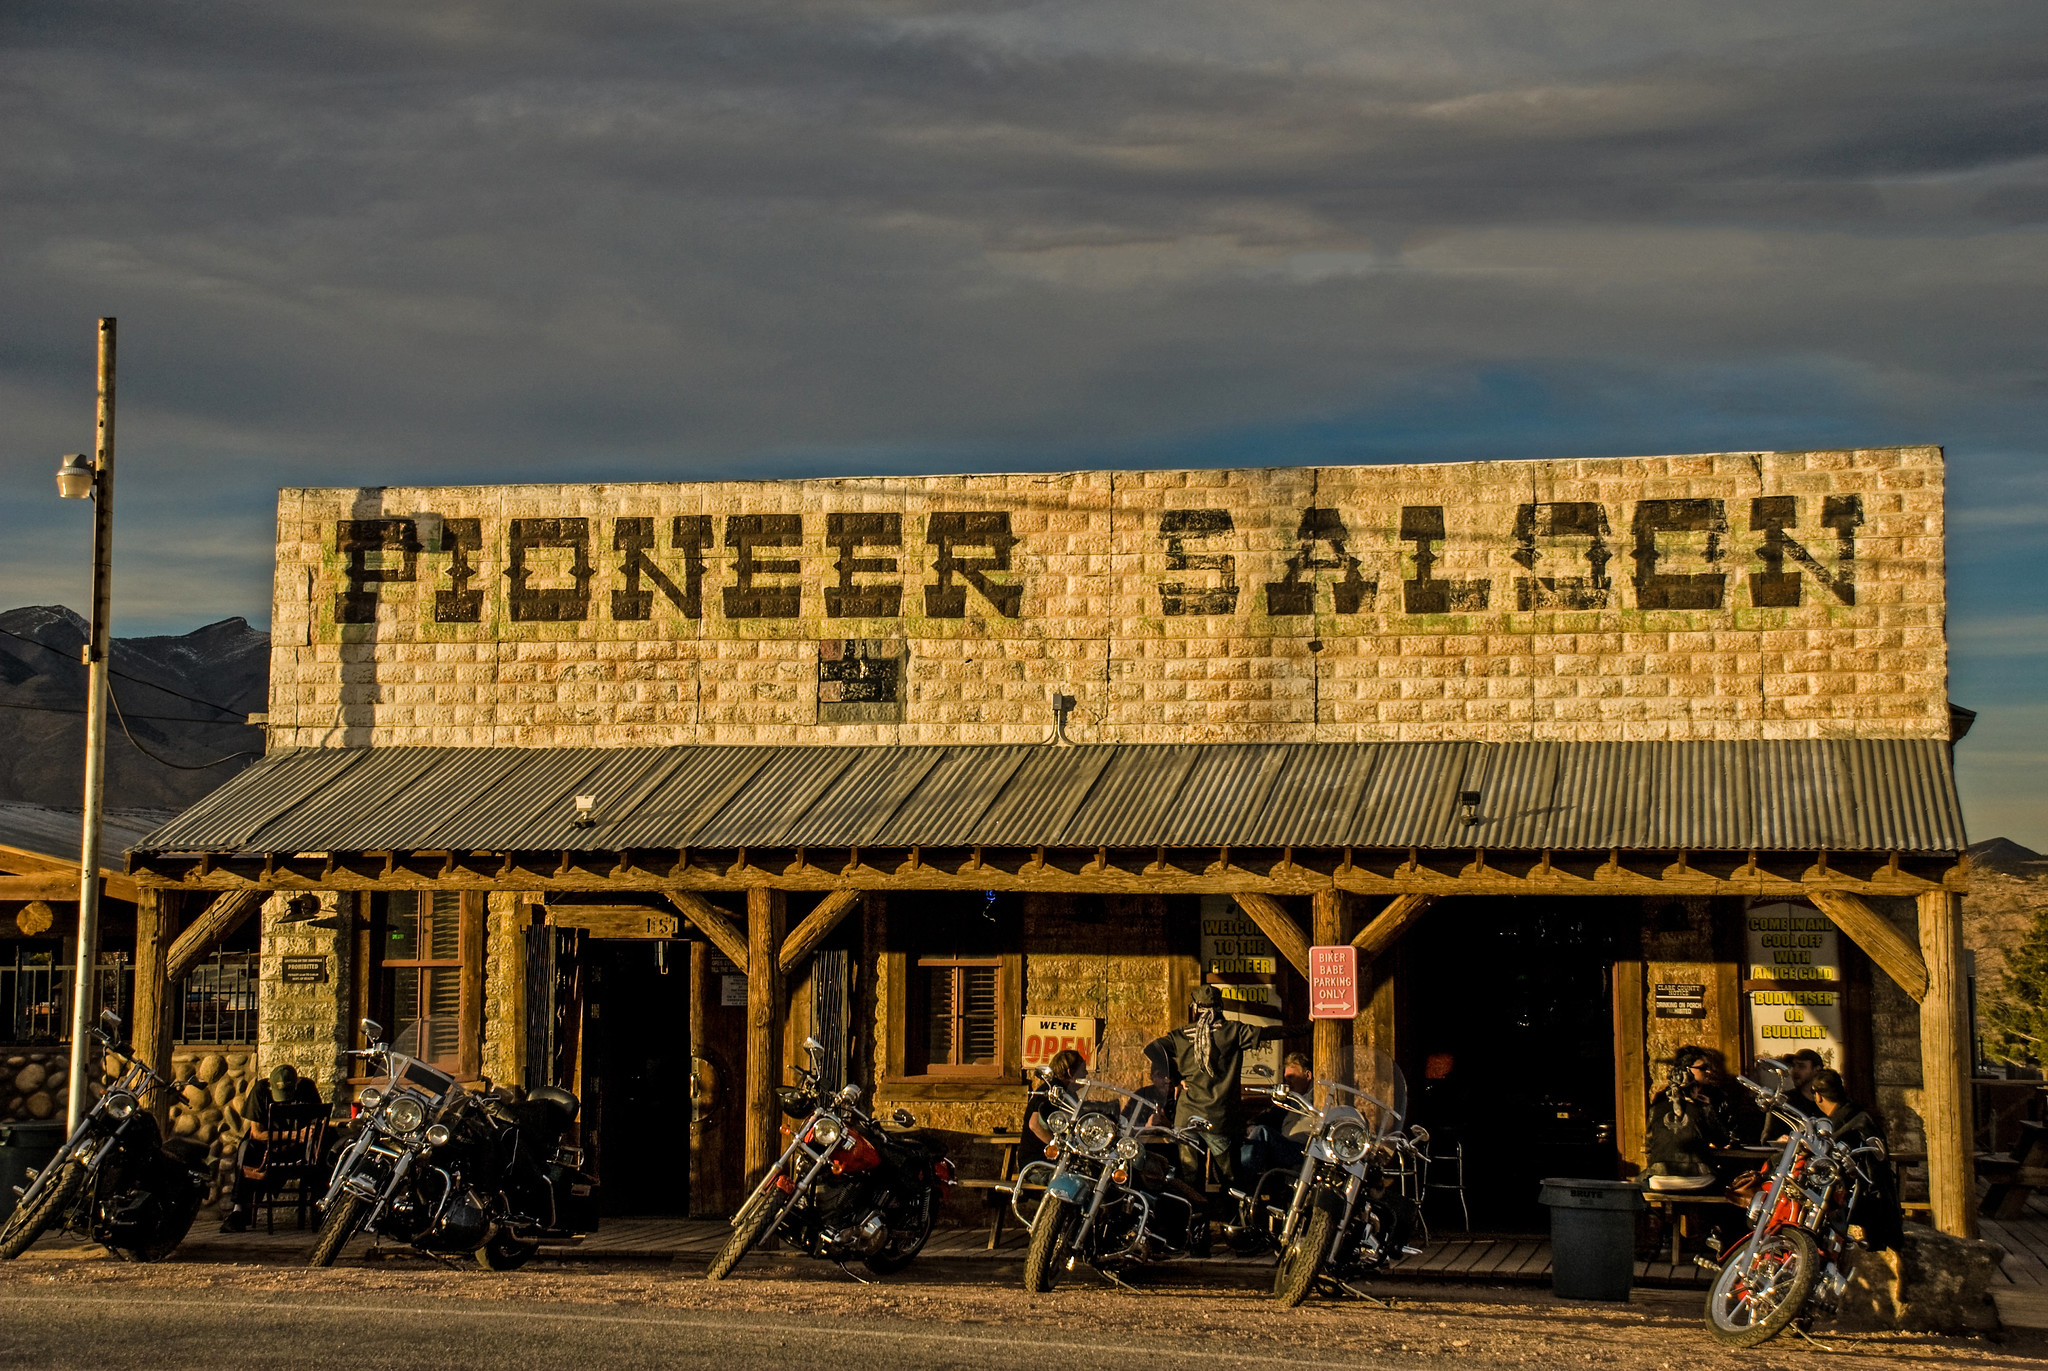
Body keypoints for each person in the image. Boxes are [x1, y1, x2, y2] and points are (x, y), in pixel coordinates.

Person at [1145, 986, 1309, 1192]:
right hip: (1218, 1120)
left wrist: (1177, 1078)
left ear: (1195, 1009)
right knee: (1229, 1179)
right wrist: (1307, 1028)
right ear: (1219, 1007)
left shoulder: (1180, 1035)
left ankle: (1194, 1220)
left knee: (1190, 1178)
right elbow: (1270, 1033)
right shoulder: (1233, 1031)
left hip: (1186, 1119)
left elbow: (1152, 1049)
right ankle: (1229, 1219)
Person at [220, 1064, 325, 1233]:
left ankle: (323, 1207)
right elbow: (257, 1133)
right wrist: (294, 1135)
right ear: (270, 1085)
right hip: (267, 1151)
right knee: (247, 1148)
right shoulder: (260, 1090)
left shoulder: (306, 1088)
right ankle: (238, 1211)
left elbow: (317, 1124)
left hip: (298, 1153)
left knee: (326, 1146)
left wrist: (305, 1136)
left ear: (296, 1085)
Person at [1810, 1069, 1903, 1250]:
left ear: (1819, 1096)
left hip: (1864, 1204)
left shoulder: (1842, 1123)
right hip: (1880, 1203)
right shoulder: (1854, 1114)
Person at [1643, 1045, 1732, 1187]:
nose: (1708, 1071)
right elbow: (1722, 1140)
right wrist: (1708, 1109)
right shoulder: (1702, 1104)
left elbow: (1648, 1144)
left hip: (1657, 1178)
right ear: (1686, 1070)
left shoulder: (1658, 1101)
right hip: (1696, 1177)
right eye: (1703, 1068)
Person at [1240, 1052, 1315, 1177]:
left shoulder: (1316, 1097)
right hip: (1288, 1145)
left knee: (1262, 1132)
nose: (1288, 1083)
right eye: (1286, 1079)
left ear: (1307, 1075)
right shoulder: (1292, 1099)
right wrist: (1251, 1124)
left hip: (1304, 1150)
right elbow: (1273, 1113)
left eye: (1291, 1077)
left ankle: (1241, 1178)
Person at [1023, 1050, 1088, 1145]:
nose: (1086, 1073)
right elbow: (1035, 1124)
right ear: (1070, 1072)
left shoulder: (1067, 1092)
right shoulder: (1053, 1091)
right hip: (1040, 1156)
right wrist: (1057, 1147)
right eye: (1082, 1069)